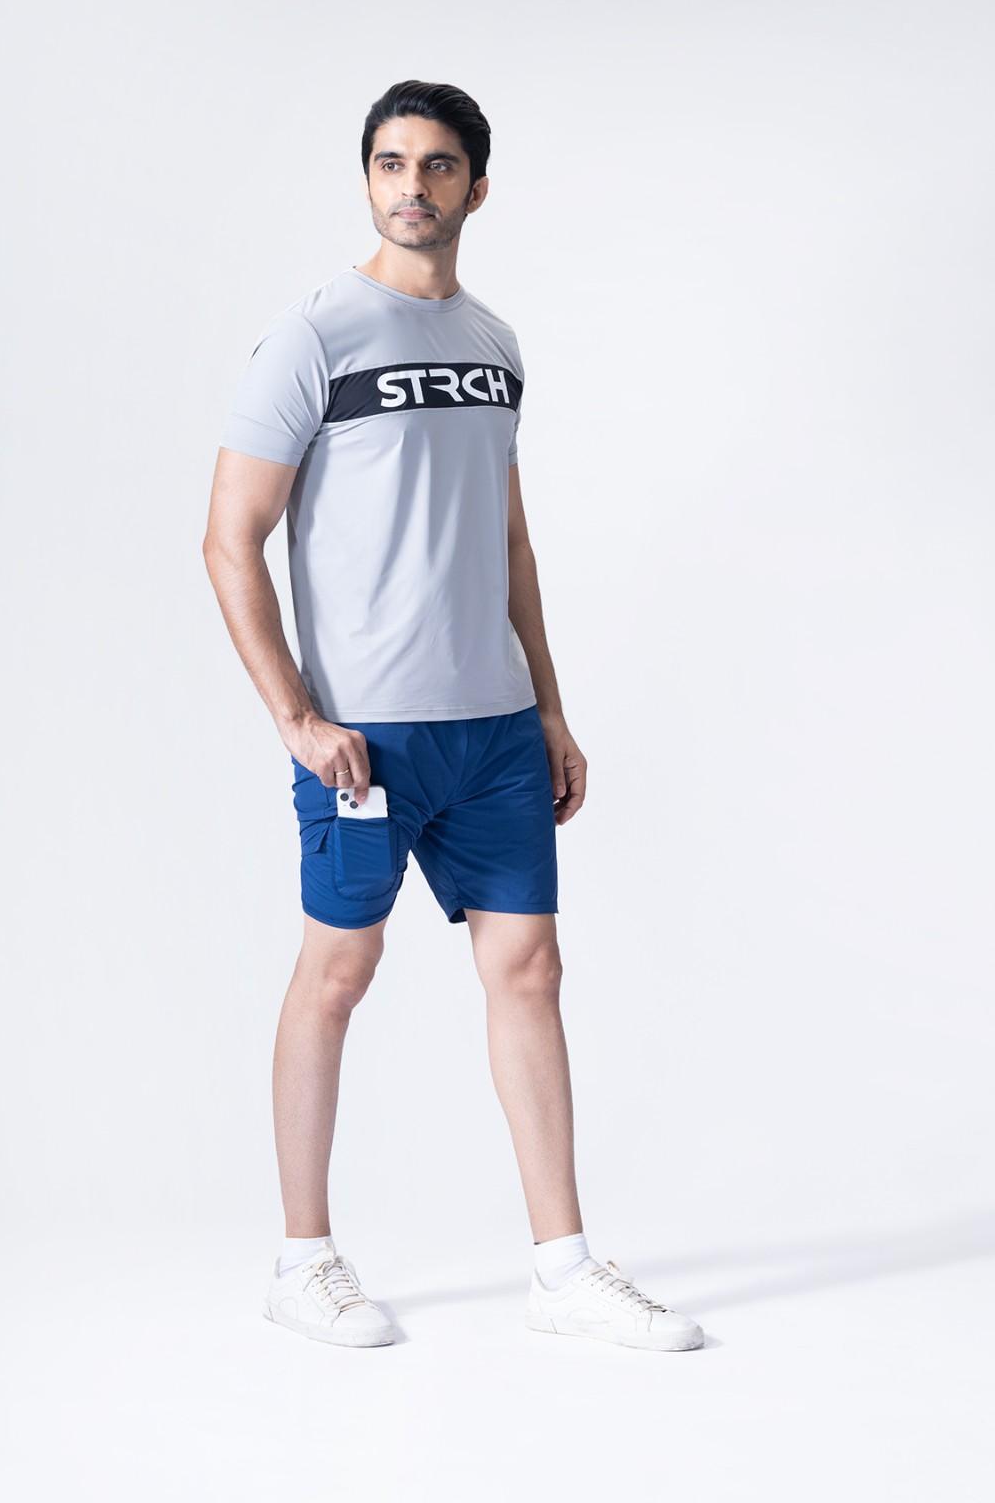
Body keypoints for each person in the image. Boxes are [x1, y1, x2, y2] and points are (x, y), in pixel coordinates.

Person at [203, 79, 704, 1353]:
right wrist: (295, 719)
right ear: (365, 179)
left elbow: (509, 540)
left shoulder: (494, 343)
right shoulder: (312, 336)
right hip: (364, 738)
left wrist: (550, 709)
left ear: (476, 186)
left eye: (435, 165)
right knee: (337, 971)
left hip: (492, 726)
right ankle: (300, 1260)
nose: (410, 185)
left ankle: (562, 1267)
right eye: (389, 162)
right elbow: (228, 538)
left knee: (528, 969)